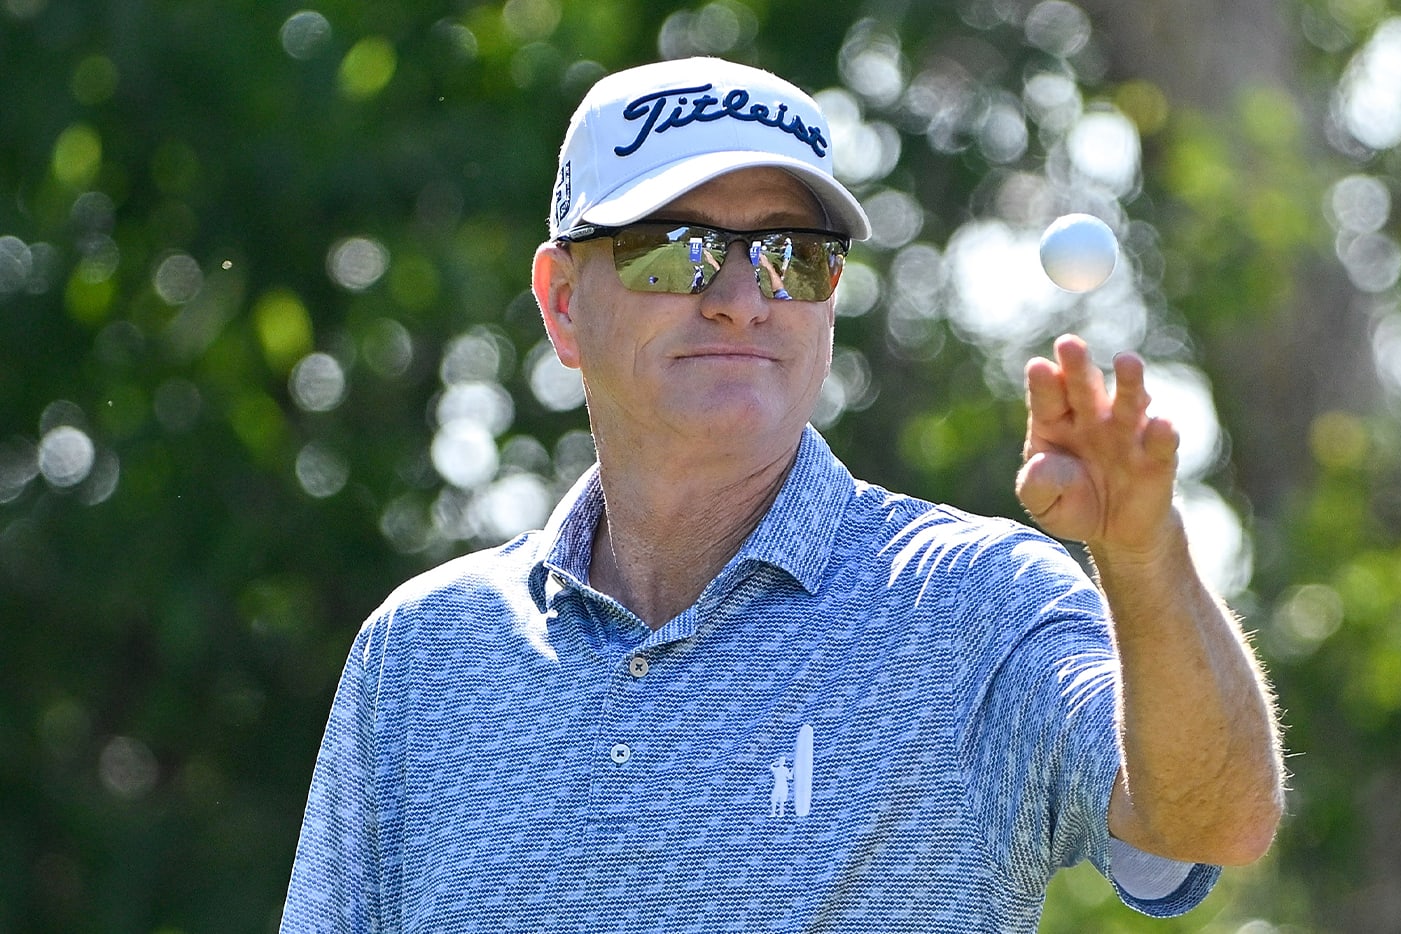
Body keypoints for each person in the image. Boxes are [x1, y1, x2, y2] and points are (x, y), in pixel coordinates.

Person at [281, 56, 1283, 932]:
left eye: (791, 255)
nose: (739, 295)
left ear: (829, 300)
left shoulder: (971, 604)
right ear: (560, 304)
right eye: (675, 245)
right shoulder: (420, 656)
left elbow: (1212, 817)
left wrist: (1143, 563)